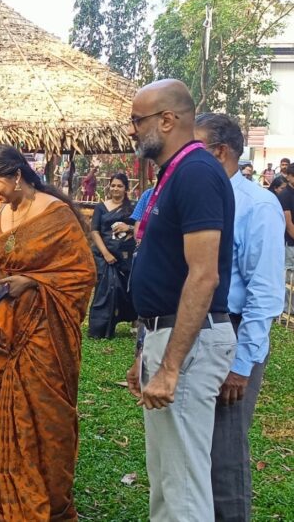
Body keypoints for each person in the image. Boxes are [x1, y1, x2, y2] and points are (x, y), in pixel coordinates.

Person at [125, 79, 237, 521]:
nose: (132, 130)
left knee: (184, 485)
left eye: (138, 120)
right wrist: (146, 351)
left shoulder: (195, 173)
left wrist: (170, 366)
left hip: (187, 341)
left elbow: (203, 275)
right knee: (168, 476)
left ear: (167, 120)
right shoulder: (175, 174)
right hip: (168, 334)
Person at [0, 145, 95, 520]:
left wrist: (33, 280)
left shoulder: (56, 215)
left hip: (44, 334)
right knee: (3, 414)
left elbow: (82, 274)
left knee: (44, 416)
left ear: (17, 175)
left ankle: (49, 501)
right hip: (3, 332)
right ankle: (7, 500)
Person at [195, 113, 285, 521]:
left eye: (194, 149)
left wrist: (242, 365)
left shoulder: (256, 205)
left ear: (220, 152)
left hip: (232, 333)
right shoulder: (200, 198)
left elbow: (264, 294)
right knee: (194, 444)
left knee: (225, 451)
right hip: (195, 330)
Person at [88, 173, 137, 338]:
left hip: (125, 255)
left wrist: (128, 228)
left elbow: (141, 228)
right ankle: (100, 329)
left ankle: (133, 320)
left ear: (126, 189)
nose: (116, 189)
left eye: (120, 186)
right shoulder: (101, 207)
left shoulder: (132, 208)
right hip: (104, 256)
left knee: (127, 289)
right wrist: (106, 253)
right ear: (109, 186)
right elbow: (94, 231)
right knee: (105, 291)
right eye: (113, 185)